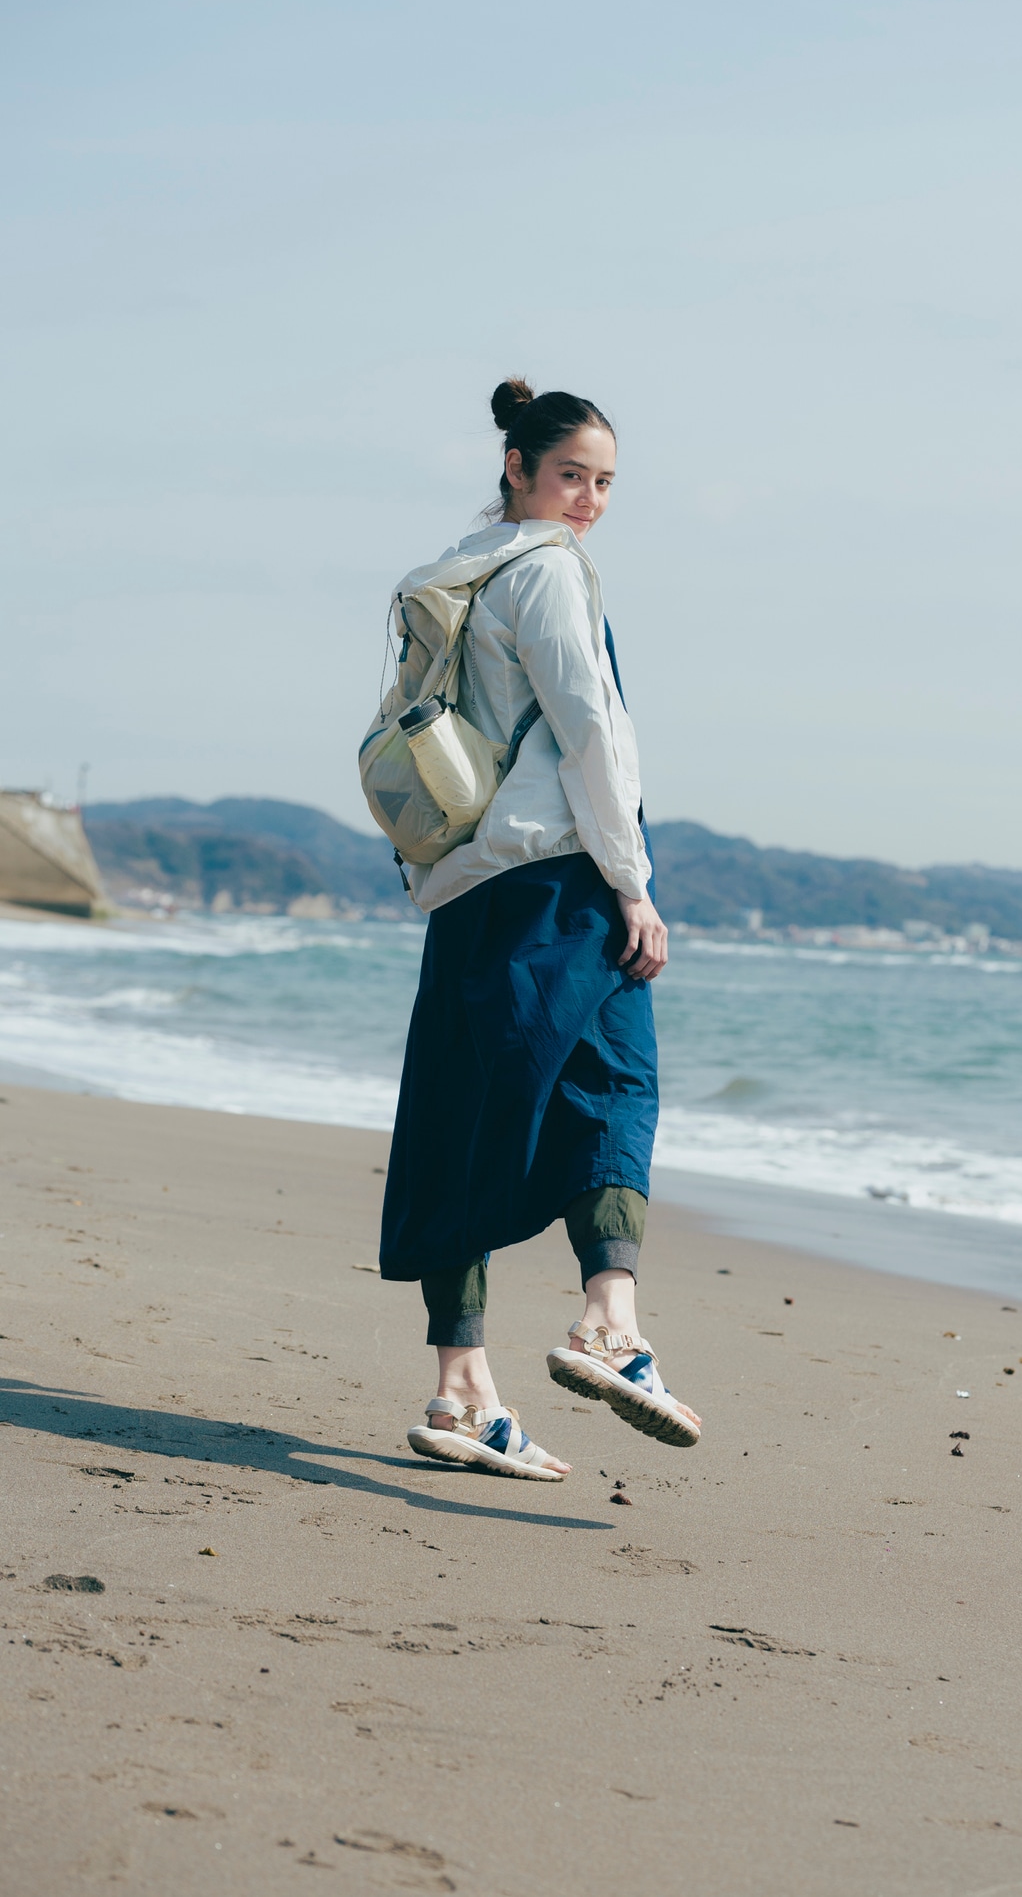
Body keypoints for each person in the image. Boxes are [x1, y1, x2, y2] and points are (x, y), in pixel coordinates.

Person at [378, 377, 702, 1480]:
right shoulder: (548, 573)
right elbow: (590, 735)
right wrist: (634, 882)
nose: (591, 500)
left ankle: (459, 1389)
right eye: (573, 474)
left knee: (461, 1116)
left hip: (465, 882)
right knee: (615, 1080)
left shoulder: (450, 575)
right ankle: (609, 1320)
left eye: (606, 482)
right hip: (558, 878)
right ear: (517, 466)